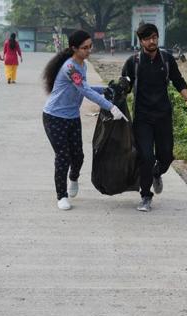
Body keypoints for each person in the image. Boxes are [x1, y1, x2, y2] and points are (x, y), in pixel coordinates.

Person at [42, 29, 127, 210]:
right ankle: (61, 195)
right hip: (54, 117)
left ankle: (74, 177)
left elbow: (85, 87)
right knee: (63, 156)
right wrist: (110, 107)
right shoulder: (70, 67)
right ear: (74, 48)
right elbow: (85, 91)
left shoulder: (82, 65)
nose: (89, 50)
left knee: (78, 156)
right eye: (84, 48)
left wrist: (105, 89)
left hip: (72, 117)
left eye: (90, 47)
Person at [122, 23, 187, 212]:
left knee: (166, 155)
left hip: (163, 116)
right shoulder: (133, 62)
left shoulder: (166, 59)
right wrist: (117, 96)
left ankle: (157, 172)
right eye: (148, 38)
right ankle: (145, 196)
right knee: (146, 157)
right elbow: (125, 86)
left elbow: (178, 80)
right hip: (143, 118)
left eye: (155, 37)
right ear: (141, 41)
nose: (152, 41)